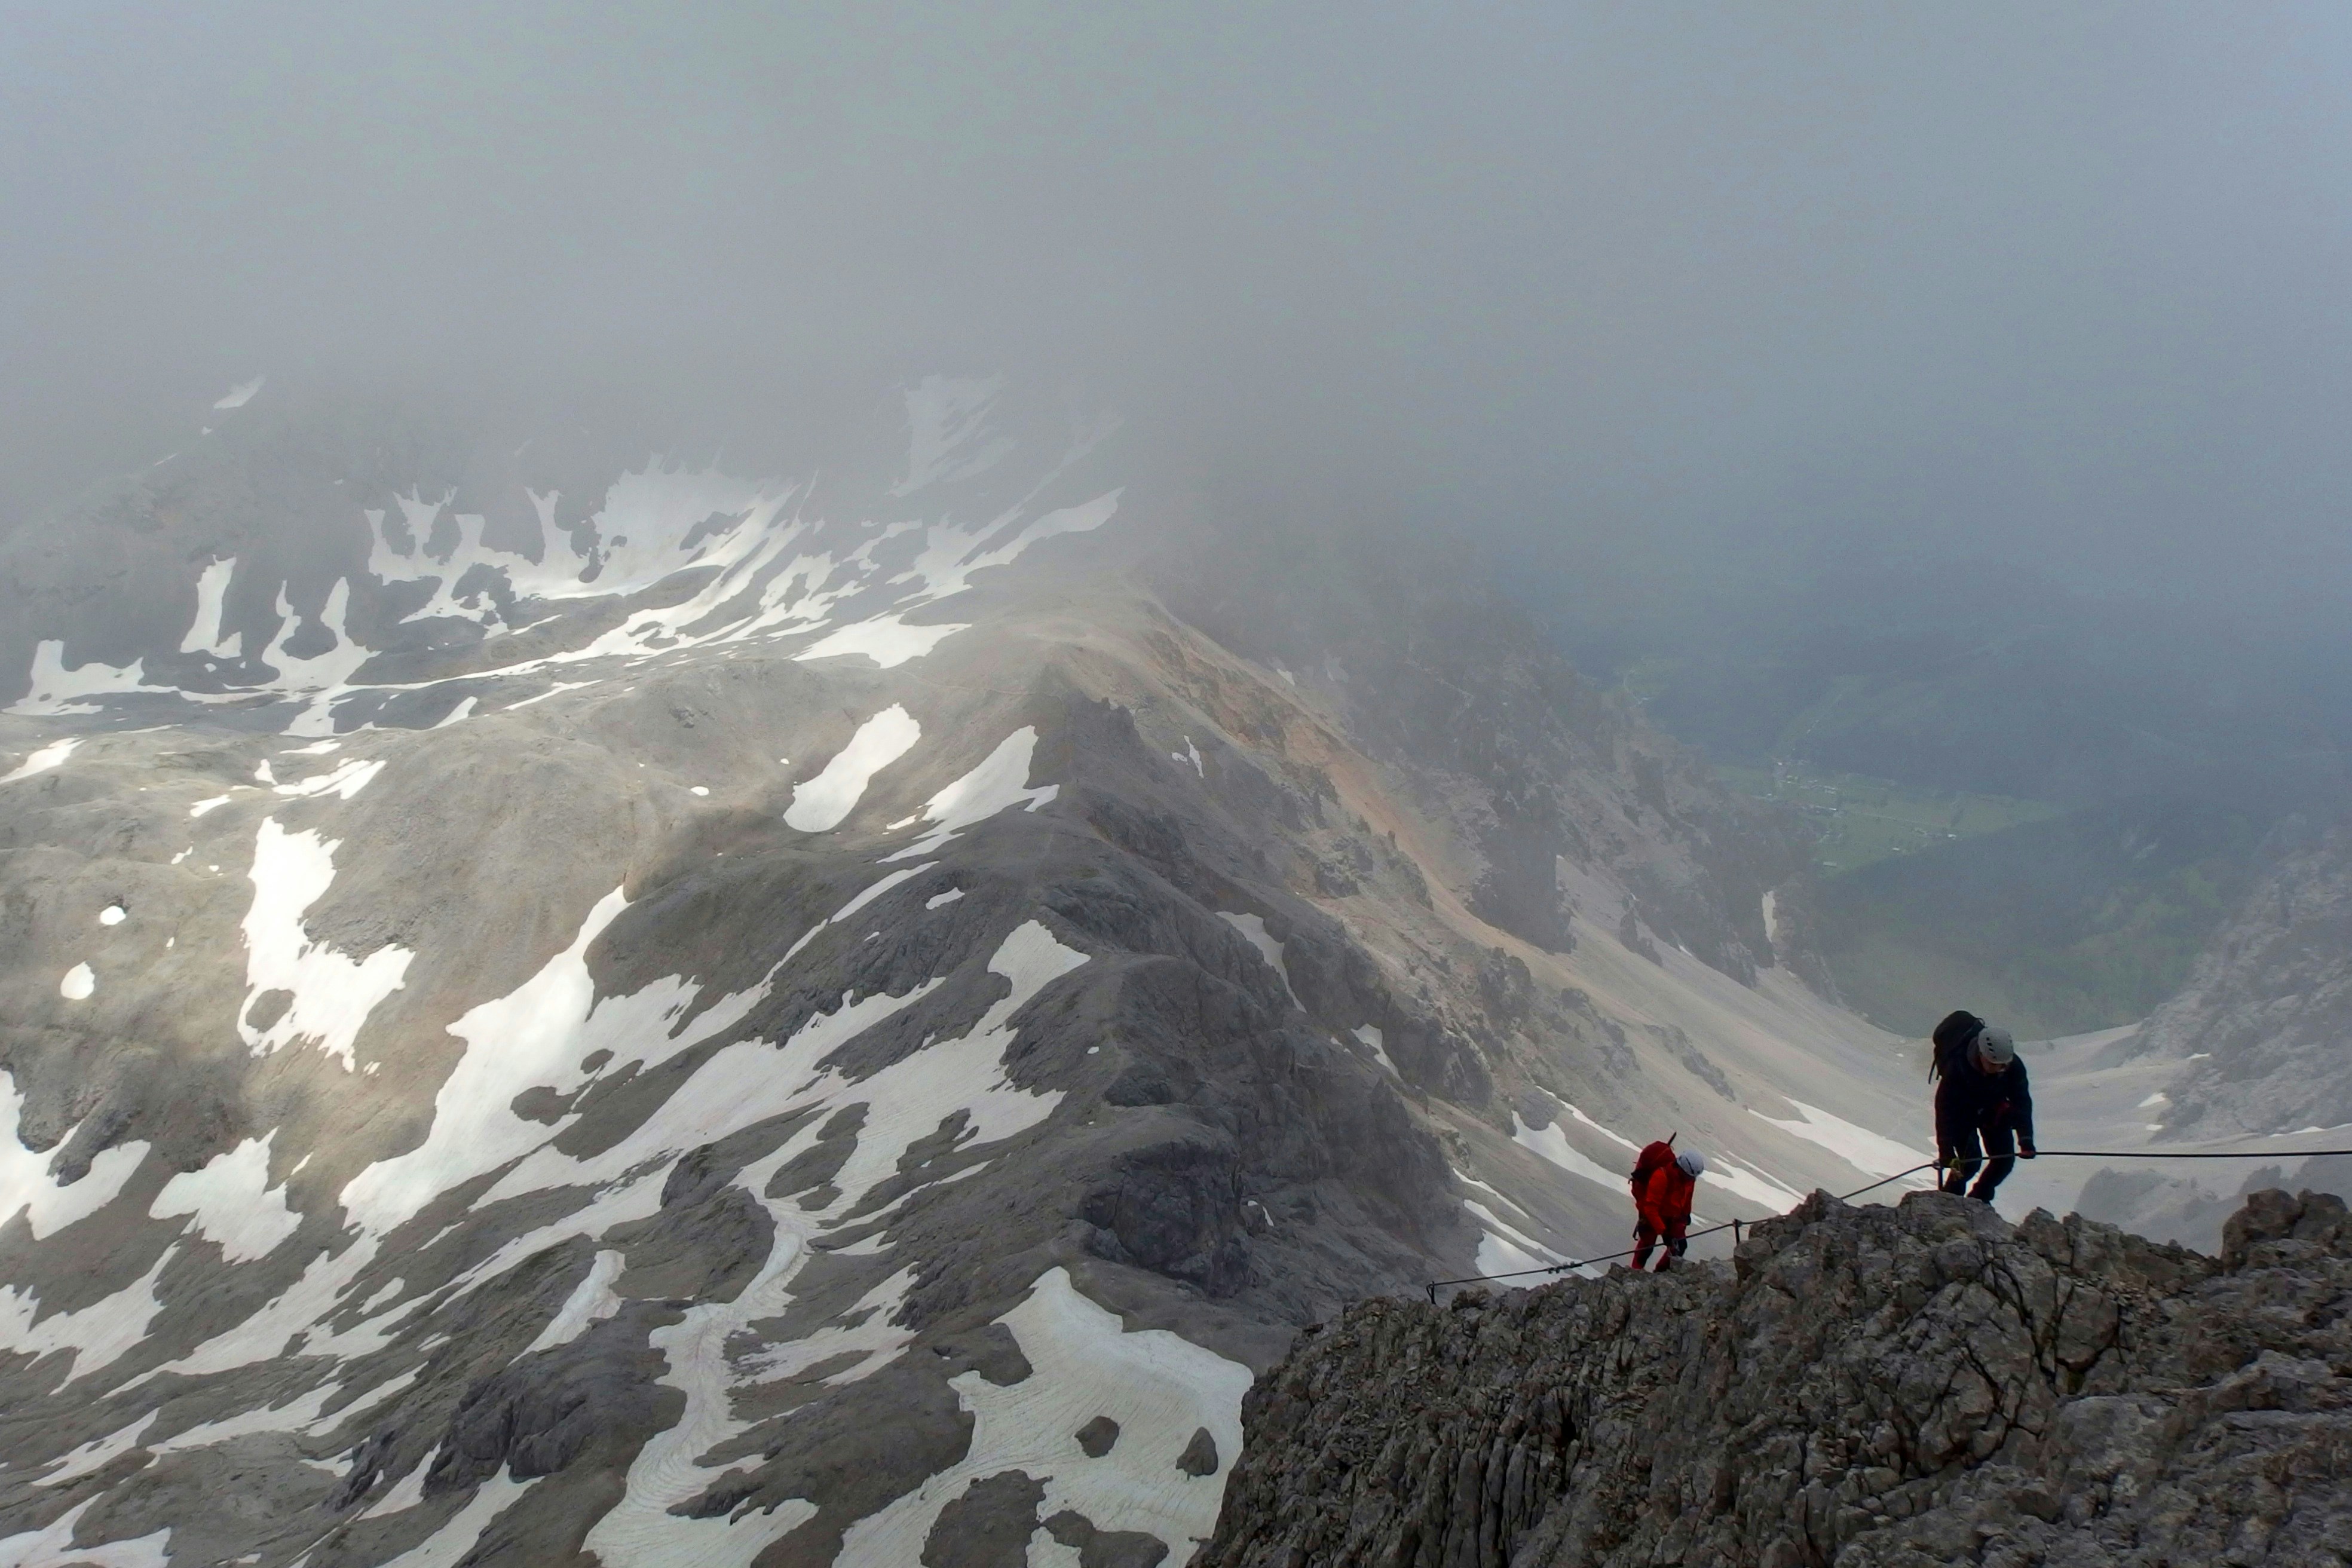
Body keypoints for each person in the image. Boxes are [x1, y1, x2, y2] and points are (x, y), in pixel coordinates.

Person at [1930, 1010, 2037, 1201]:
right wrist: (1946, 1151)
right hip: (1963, 1115)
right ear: (1982, 1055)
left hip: (1993, 1112)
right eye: (1995, 1064)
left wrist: (2026, 1140)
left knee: (2004, 1162)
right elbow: (1945, 1111)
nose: (2001, 1069)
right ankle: (1950, 1198)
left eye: (2004, 1064)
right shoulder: (1957, 1068)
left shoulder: (2013, 1066)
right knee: (1969, 1164)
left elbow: (2022, 1101)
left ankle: (1979, 1198)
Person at [1628, 1137, 1705, 1269]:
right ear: (1682, 1170)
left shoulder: (1688, 1180)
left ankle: (1660, 1273)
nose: (1691, 1180)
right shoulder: (1661, 1176)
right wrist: (1664, 1231)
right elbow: (1650, 1208)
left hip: (1672, 1216)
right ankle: (1635, 1272)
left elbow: (1687, 1199)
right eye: (1689, 1177)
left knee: (1680, 1246)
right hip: (1653, 1217)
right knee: (1647, 1247)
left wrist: (1684, 1217)